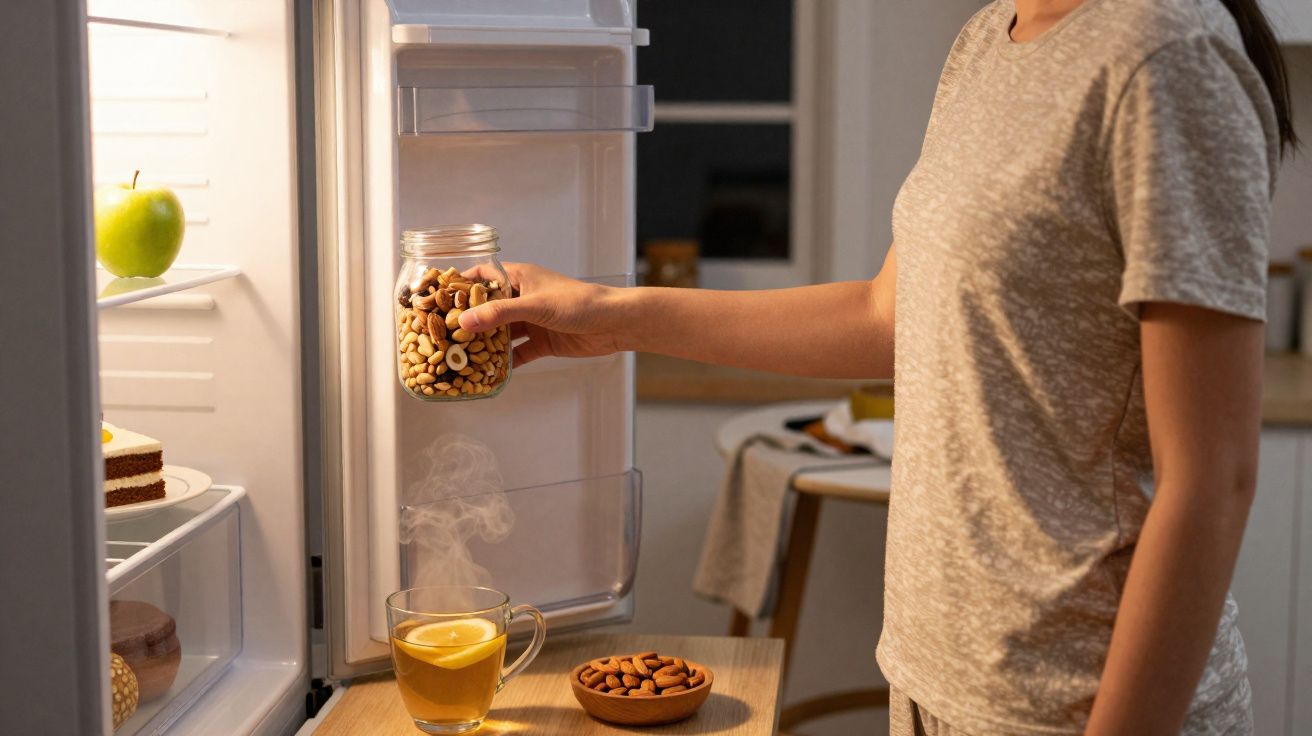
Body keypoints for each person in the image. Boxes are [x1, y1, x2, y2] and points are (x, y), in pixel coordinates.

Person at [459, 0, 1298, 732]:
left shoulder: (1166, 57)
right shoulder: (988, 40)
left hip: (1074, 702)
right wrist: (612, 317)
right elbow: (885, 316)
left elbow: (1213, 480)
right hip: (933, 680)